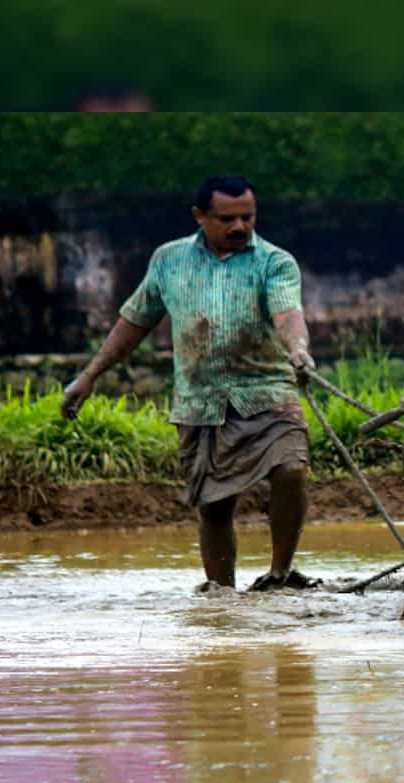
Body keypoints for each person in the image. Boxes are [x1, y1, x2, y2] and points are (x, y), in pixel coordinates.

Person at [60, 175, 317, 592]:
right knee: (214, 506)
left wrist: (298, 348)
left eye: (247, 217)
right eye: (226, 219)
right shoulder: (168, 260)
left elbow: (288, 312)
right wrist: (89, 377)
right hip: (200, 402)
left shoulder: (275, 261)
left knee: (291, 469)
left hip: (267, 393)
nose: (238, 227)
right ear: (200, 216)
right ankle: (220, 594)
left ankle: (280, 575)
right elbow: (134, 321)